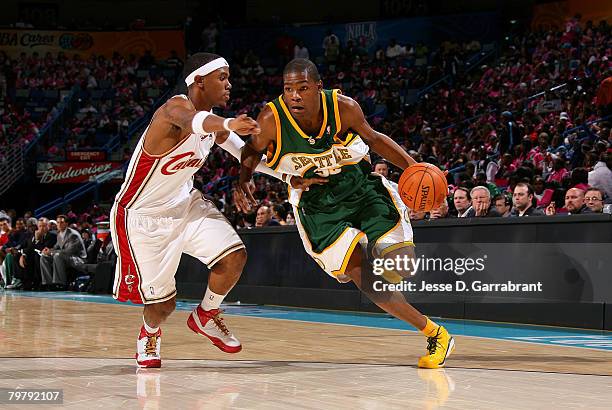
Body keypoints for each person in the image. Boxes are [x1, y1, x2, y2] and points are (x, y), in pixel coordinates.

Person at [236, 58, 454, 369]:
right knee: (363, 276)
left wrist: (415, 167)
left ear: (318, 88)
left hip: (360, 188)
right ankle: (435, 333)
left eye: (302, 88)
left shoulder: (344, 107)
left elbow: (376, 140)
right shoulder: (272, 117)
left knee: (400, 267)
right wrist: (243, 179)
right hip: (317, 204)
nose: (294, 96)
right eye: (288, 90)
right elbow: (252, 150)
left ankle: (381, 253)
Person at [110, 52, 284, 368]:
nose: (229, 84)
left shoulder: (215, 125)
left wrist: (292, 176)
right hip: (144, 215)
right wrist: (230, 122)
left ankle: (206, 314)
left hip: (185, 205)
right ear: (199, 81)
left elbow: (246, 153)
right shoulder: (173, 110)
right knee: (163, 306)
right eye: (223, 78)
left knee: (234, 257)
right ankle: (149, 333)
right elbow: (195, 121)